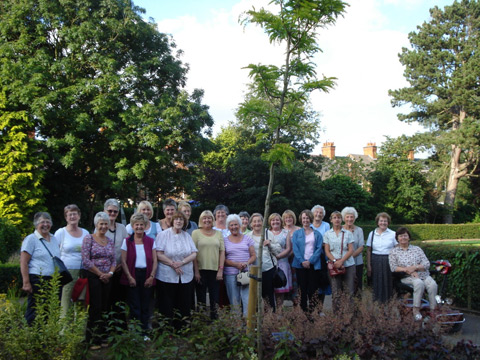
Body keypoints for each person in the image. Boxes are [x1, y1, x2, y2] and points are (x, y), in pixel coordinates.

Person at [156, 211, 197, 329]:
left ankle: (182, 328)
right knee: (167, 303)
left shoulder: (187, 236)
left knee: (183, 303)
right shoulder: (163, 235)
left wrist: (182, 262)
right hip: (167, 275)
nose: (179, 221)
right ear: (172, 221)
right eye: (176, 219)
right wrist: (173, 264)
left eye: (181, 219)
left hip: (185, 275)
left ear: (184, 222)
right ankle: (166, 329)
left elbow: (194, 253)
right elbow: (158, 254)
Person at [82, 212, 116, 349]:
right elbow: (85, 260)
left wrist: (110, 273)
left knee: (106, 307)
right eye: (101, 223)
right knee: (95, 307)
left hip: (108, 278)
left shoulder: (110, 241)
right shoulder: (88, 238)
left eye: (105, 223)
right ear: (96, 225)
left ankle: (104, 337)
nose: (103, 226)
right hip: (94, 277)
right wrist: (100, 273)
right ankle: (92, 339)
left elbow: (113, 260)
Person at [389, 227, 438, 321]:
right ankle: (416, 310)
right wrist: (409, 270)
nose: (403, 238)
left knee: (433, 285)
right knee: (419, 283)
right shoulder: (393, 252)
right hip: (406, 276)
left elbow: (426, 264)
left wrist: (415, 267)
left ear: (409, 237)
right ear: (397, 238)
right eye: (401, 236)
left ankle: (433, 310)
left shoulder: (417, 249)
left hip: (423, 274)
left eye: (405, 235)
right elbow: (393, 267)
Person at [20, 212, 61, 325]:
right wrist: (26, 282)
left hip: (53, 281)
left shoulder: (54, 239)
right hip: (37, 279)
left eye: (48, 222)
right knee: (35, 310)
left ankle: (45, 338)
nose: (45, 224)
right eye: (42, 222)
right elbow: (24, 262)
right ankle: (32, 338)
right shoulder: (31, 239)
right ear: (36, 224)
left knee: (49, 310)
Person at [120, 213, 157, 334]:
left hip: (147, 275)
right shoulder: (127, 241)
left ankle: (145, 331)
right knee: (134, 305)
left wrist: (151, 276)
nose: (139, 227)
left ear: (145, 226)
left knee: (146, 305)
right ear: (132, 226)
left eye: (142, 224)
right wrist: (130, 277)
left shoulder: (151, 241)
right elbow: (123, 261)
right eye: (137, 225)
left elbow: (155, 260)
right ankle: (136, 333)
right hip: (132, 275)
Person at [55, 204, 89, 318]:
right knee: (66, 303)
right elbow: (55, 253)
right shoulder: (61, 232)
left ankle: (79, 333)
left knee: (81, 302)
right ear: (66, 217)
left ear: (79, 216)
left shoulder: (85, 233)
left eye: (75, 214)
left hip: (83, 272)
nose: (72, 217)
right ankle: (64, 333)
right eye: (70, 215)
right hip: (67, 272)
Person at [192, 210, 225, 319]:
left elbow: (222, 252)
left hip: (215, 270)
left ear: (213, 219)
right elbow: (193, 253)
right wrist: (196, 271)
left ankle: (214, 322)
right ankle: (201, 321)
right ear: (201, 220)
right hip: (200, 270)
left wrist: (220, 270)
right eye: (204, 218)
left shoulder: (219, 233)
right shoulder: (195, 233)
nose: (207, 220)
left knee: (214, 298)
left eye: (209, 218)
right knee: (201, 297)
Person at [291, 210, 324, 313]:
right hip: (300, 265)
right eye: (304, 218)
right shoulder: (296, 233)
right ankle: (304, 311)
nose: (305, 220)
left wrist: (310, 261)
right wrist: (302, 261)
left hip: (313, 265)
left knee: (313, 289)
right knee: (302, 289)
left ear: (311, 219)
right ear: (301, 219)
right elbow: (295, 249)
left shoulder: (317, 234)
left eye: (307, 218)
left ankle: (312, 311)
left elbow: (319, 249)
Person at [223, 214, 256, 316]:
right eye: (231, 225)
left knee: (247, 300)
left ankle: (248, 325)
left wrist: (246, 263)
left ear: (240, 225)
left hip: (246, 274)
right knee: (234, 301)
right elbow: (223, 259)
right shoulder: (224, 241)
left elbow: (253, 255)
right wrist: (235, 264)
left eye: (236, 224)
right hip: (230, 274)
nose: (234, 227)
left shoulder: (247, 239)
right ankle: (236, 326)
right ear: (228, 227)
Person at [249, 213, 282, 312]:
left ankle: (270, 319)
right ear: (251, 224)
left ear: (263, 222)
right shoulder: (247, 236)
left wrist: (270, 244)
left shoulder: (268, 233)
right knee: (254, 296)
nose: (257, 223)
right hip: (253, 270)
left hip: (268, 268)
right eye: (254, 221)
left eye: (259, 221)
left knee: (268, 295)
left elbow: (278, 250)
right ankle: (256, 320)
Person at [324, 211, 355, 310]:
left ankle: (349, 316)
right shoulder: (327, 234)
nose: (337, 219)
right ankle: (337, 317)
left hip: (348, 264)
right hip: (333, 266)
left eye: (338, 217)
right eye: (334, 217)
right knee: (336, 292)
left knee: (349, 291)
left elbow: (351, 250)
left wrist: (341, 261)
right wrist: (334, 261)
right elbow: (327, 251)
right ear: (331, 220)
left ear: (341, 220)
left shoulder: (348, 233)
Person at [103, 199, 128, 317]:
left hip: (119, 268)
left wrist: (121, 264)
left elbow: (126, 247)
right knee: (105, 300)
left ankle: (119, 330)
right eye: (110, 211)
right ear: (104, 211)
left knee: (119, 301)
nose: (112, 214)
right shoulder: (100, 227)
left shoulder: (122, 228)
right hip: (104, 270)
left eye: (115, 212)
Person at [366, 212, 397, 303]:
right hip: (375, 260)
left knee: (388, 282)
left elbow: (397, 249)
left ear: (388, 222)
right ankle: (377, 303)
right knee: (377, 282)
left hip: (388, 260)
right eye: (381, 221)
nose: (383, 223)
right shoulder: (372, 234)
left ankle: (388, 303)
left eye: (385, 221)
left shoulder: (393, 234)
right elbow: (368, 250)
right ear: (377, 222)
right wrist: (368, 265)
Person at [268, 213, 292, 306]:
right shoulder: (266, 232)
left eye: (277, 220)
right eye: (273, 220)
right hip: (269, 263)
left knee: (280, 288)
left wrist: (277, 257)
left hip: (282, 262)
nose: (275, 222)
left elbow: (288, 248)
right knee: (270, 288)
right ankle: (270, 311)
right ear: (270, 222)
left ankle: (279, 312)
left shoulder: (286, 233)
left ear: (281, 221)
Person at [341, 207, 365, 293]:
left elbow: (361, 247)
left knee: (356, 287)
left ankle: (357, 306)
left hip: (357, 262)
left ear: (355, 218)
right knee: (344, 287)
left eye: (352, 217)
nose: (349, 219)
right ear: (344, 218)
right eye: (347, 217)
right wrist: (345, 259)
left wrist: (350, 257)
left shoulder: (359, 230)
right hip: (343, 263)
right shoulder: (340, 230)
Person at [282, 210, 300, 305]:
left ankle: (296, 306)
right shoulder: (281, 230)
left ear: (293, 218)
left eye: (290, 217)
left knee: (295, 282)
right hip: (283, 260)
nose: (288, 219)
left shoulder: (298, 230)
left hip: (295, 260)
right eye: (286, 218)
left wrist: (291, 253)